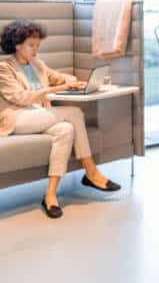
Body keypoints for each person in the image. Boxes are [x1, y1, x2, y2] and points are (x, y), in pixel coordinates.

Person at [0, 20, 121, 219]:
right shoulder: (4, 68)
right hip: (17, 119)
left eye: (38, 45)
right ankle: (91, 172)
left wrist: (71, 81)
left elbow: (57, 77)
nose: (36, 50)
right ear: (17, 44)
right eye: (31, 45)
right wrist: (57, 89)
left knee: (66, 129)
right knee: (73, 113)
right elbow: (21, 97)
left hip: (41, 115)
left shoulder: (36, 63)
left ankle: (50, 195)